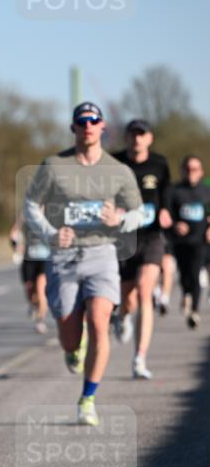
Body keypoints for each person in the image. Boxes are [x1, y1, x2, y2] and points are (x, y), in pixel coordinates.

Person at [24, 102, 143, 426]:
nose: (88, 125)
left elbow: (139, 212)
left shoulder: (119, 171)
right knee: (68, 332)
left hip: (101, 254)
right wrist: (50, 233)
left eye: (94, 120)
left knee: (100, 321)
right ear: (73, 128)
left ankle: (88, 398)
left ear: (102, 127)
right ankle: (72, 348)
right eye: (82, 121)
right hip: (63, 257)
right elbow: (31, 205)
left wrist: (119, 218)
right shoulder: (53, 165)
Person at [112, 120, 172, 379]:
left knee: (145, 289)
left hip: (151, 236)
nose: (137, 139)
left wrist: (168, 211)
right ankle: (124, 315)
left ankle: (139, 358)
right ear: (126, 138)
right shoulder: (114, 162)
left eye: (142, 135)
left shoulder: (160, 164)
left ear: (150, 138)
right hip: (123, 238)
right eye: (133, 135)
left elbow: (166, 193)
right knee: (128, 297)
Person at [169, 155, 210, 328]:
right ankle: (186, 294)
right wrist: (175, 224)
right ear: (182, 171)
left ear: (201, 172)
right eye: (187, 169)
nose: (191, 172)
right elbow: (167, 215)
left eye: (194, 169)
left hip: (200, 241)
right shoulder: (175, 191)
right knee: (184, 273)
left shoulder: (206, 191)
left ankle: (194, 310)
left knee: (195, 273)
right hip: (180, 242)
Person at [9, 219, 49, 334]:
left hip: (44, 260)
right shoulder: (26, 219)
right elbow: (13, 234)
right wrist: (15, 245)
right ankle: (33, 305)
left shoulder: (50, 217)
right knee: (30, 289)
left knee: (40, 290)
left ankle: (40, 321)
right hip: (29, 260)